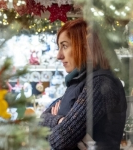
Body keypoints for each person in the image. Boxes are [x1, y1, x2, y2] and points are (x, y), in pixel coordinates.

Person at [40, 19, 127, 150]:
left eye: (64, 46)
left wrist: (56, 121)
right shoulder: (79, 82)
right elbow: (40, 122)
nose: (59, 55)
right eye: (59, 47)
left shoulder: (100, 83)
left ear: (84, 46)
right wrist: (58, 121)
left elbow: (59, 141)